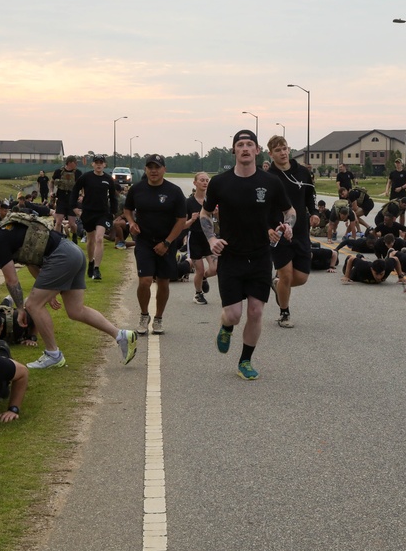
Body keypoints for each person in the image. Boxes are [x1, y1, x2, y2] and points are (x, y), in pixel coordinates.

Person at [0, 211, 136, 369]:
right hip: (72, 252)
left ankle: (53, 354)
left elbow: (12, 280)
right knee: (76, 310)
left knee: (33, 305)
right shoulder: (7, 227)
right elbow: (30, 260)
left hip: (61, 257)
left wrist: (21, 308)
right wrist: (48, 290)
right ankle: (121, 335)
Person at [199, 129, 294, 380]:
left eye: (249, 144)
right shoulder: (220, 182)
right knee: (234, 314)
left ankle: (245, 361)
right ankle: (226, 327)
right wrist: (211, 238)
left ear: (257, 150)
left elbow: (290, 211)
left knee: (255, 312)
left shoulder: (271, 182)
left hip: (261, 256)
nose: (244, 148)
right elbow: (205, 214)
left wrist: (288, 226)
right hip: (230, 256)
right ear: (234, 150)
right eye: (240, 144)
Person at [123, 154, 187, 335]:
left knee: (163, 282)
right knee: (144, 281)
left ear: (163, 169)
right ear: (145, 169)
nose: (153, 170)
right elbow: (127, 210)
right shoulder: (137, 189)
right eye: (150, 167)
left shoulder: (174, 191)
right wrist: (131, 222)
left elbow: (181, 219)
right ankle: (144, 315)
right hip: (144, 241)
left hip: (166, 243)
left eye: (157, 167)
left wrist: (167, 243)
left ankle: (158, 318)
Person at [266, 135, 316, 329]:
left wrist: (313, 213)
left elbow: (309, 195)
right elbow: (262, 208)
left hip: (301, 231)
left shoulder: (302, 172)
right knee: (286, 274)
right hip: (278, 232)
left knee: (301, 278)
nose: (283, 153)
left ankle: (277, 285)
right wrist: (268, 229)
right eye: (278, 150)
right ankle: (284, 313)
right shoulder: (269, 177)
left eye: (285, 148)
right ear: (271, 154)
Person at [73, 154, 119, 281]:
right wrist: (75, 207)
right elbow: (75, 190)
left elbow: (113, 197)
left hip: (103, 213)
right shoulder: (86, 177)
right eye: (96, 162)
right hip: (88, 212)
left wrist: (113, 212)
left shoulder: (108, 179)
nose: (99, 165)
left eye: (101, 162)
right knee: (90, 240)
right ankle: (91, 261)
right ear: (92, 164)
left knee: (99, 238)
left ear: (104, 165)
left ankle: (97, 269)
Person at [184, 171, 217, 304]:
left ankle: (203, 278)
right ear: (195, 183)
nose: (204, 182)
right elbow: (182, 226)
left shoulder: (212, 201)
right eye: (202, 180)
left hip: (209, 238)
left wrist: (217, 214)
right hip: (195, 237)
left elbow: (220, 221)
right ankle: (198, 294)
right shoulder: (188, 202)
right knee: (200, 269)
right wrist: (191, 220)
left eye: (206, 180)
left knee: (215, 268)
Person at [51, 155, 82, 234]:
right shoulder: (59, 172)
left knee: (72, 223)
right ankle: (57, 238)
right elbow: (51, 182)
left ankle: (74, 236)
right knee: (58, 221)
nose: (76, 164)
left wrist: (82, 195)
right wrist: (51, 191)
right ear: (70, 163)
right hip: (61, 199)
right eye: (75, 162)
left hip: (72, 200)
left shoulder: (78, 173)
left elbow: (82, 185)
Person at [340, 254, 406, 284]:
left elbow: (396, 259)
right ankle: (359, 257)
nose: (378, 277)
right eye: (376, 273)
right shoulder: (363, 267)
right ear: (372, 269)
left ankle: (361, 257)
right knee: (349, 259)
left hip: (368, 263)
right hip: (355, 274)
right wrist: (346, 276)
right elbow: (351, 260)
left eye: (381, 274)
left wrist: (400, 276)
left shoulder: (388, 266)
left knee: (364, 261)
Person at [384, 159, 406, 223]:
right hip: (393, 194)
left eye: (399, 163)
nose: (397, 164)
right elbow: (389, 182)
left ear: (402, 164)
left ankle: (402, 228)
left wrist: (401, 187)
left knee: (402, 212)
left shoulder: (405, 173)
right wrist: (387, 191)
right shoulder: (392, 173)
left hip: (402, 194)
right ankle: (391, 225)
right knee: (391, 211)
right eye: (396, 163)